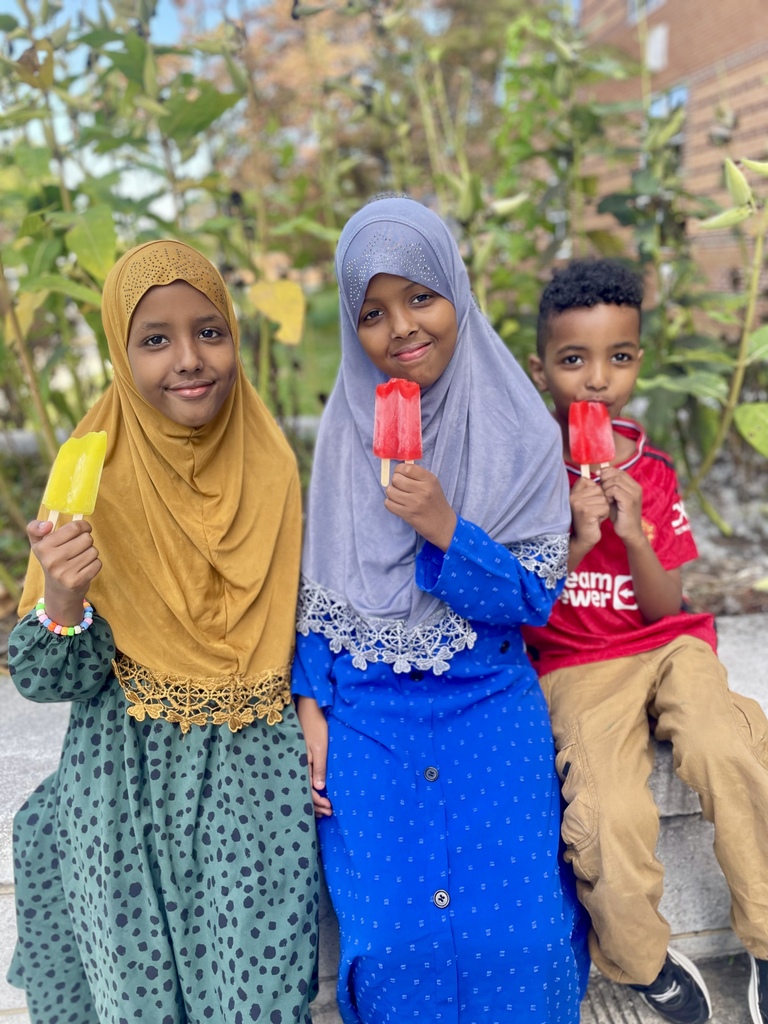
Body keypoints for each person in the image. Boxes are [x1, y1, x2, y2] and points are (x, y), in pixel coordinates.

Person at [292, 196, 589, 1024]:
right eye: (374, 312)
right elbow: (315, 598)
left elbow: (529, 599)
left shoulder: (520, 429)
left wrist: (444, 528)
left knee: (524, 939)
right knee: (390, 942)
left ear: (456, 290)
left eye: (420, 297)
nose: (401, 329)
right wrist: (310, 704)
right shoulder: (340, 438)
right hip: (367, 716)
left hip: (487, 702)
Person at [7, 240, 320, 1024]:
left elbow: (309, 618)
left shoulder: (272, 465)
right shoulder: (95, 471)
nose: (189, 359)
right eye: (155, 339)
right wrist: (68, 595)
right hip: (124, 778)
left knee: (258, 997)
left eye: (209, 331)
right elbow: (46, 678)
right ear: (121, 350)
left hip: (253, 769)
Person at [523, 257, 768, 1024]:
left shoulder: (652, 473)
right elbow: (522, 610)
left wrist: (633, 538)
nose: (597, 380)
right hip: (573, 664)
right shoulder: (526, 477)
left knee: (728, 746)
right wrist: (570, 536)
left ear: (638, 362)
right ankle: (640, 961)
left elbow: (668, 602)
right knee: (606, 813)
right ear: (540, 370)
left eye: (618, 358)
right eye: (573, 360)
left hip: (667, 645)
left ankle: (765, 937)